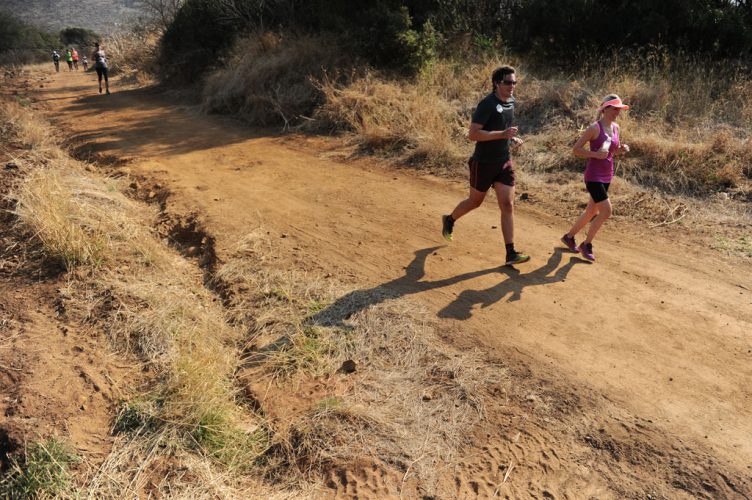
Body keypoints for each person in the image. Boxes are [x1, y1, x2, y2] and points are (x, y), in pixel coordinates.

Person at [441, 65, 530, 266]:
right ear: (497, 83)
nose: (512, 86)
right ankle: (450, 219)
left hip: (504, 162)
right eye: (508, 82)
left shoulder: (511, 102)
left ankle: (511, 253)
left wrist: (511, 139)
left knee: (507, 205)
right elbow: (473, 134)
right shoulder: (487, 104)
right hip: (483, 163)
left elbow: (503, 130)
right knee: (475, 202)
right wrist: (502, 134)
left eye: (514, 82)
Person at [560, 94, 630, 262]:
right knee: (606, 211)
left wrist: (621, 149)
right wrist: (595, 155)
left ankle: (569, 237)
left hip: (607, 175)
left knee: (592, 211)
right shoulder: (594, 128)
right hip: (593, 176)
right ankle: (587, 244)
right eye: (615, 109)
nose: (617, 112)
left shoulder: (616, 128)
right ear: (605, 109)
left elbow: (611, 152)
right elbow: (576, 149)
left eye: (619, 109)